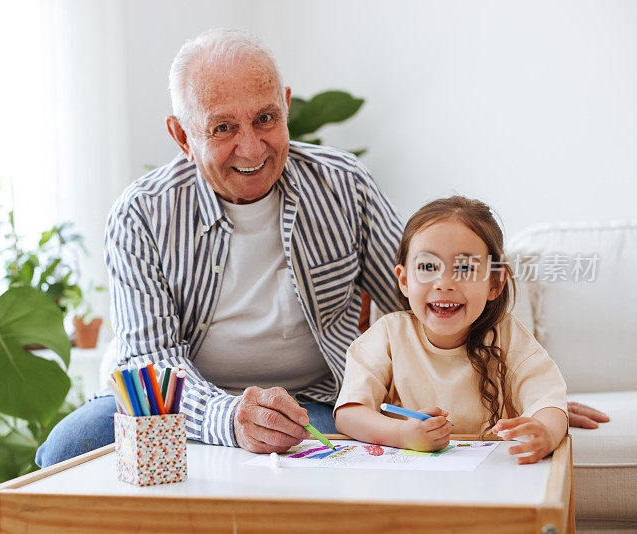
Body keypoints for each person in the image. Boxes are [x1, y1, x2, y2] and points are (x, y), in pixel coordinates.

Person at [35, 29, 607, 468]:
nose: (251, 147)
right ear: (182, 136)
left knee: (350, 458)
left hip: (314, 400)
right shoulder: (140, 214)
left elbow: (424, 300)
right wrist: (230, 417)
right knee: (68, 445)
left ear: (285, 105)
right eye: (221, 129)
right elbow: (149, 364)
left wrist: (523, 397)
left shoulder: (343, 183)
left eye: (266, 118)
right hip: (191, 406)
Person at [335, 196, 567, 463]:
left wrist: (547, 432)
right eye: (427, 266)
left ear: (495, 282)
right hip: (409, 475)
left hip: (492, 475)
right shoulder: (388, 334)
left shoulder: (508, 336)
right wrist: (402, 434)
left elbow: (549, 401)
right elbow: (349, 413)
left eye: (465, 268)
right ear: (405, 280)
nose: (444, 283)